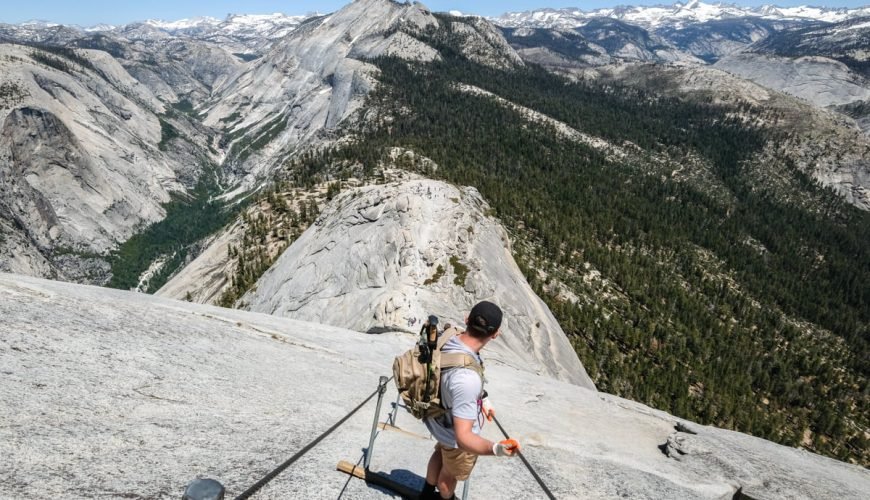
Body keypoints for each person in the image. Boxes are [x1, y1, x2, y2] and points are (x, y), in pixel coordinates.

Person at [422, 301, 521, 500]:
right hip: (455, 432)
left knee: (441, 453)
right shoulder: (467, 379)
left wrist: (482, 398)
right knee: (448, 477)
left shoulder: (450, 336)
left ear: (467, 319)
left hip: (440, 418)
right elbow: (463, 438)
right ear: (495, 334)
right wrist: (496, 449)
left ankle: (425, 495)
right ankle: (445, 497)